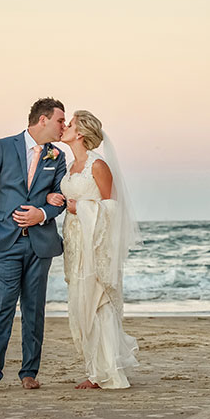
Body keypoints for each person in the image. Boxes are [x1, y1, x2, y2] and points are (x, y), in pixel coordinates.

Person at [0, 98, 68, 391]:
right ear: (43, 119)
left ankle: (29, 372)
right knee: (2, 305)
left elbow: (61, 198)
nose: (63, 126)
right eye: (60, 121)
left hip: (40, 244)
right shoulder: (2, 147)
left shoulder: (57, 156)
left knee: (34, 309)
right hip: (4, 243)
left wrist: (42, 212)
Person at [47, 110, 140, 389]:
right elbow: (69, 196)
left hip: (95, 244)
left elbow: (113, 209)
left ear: (81, 134)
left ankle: (108, 371)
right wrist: (58, 198)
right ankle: (94, 370)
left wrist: (80, 207)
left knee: (98, 301)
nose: (64, 127)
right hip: (76, 242)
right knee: (81, 302)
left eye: (70, 124)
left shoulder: (97, 165)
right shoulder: (71, 166)